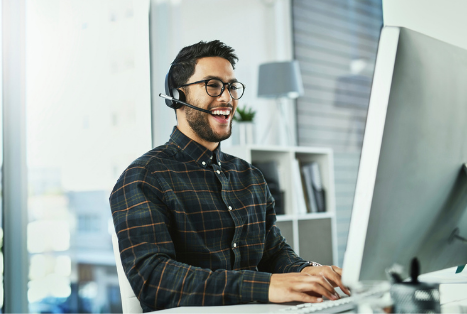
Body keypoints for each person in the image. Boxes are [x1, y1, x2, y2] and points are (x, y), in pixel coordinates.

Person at [110, 40, 350, 312]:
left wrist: (307, 271)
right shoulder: (144, 177)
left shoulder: (250, 175)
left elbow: (272, 253)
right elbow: (154, 280)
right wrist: (266, 286)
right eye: (212, 85)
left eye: (232, 87)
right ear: (177, 95)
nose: (226, 98)